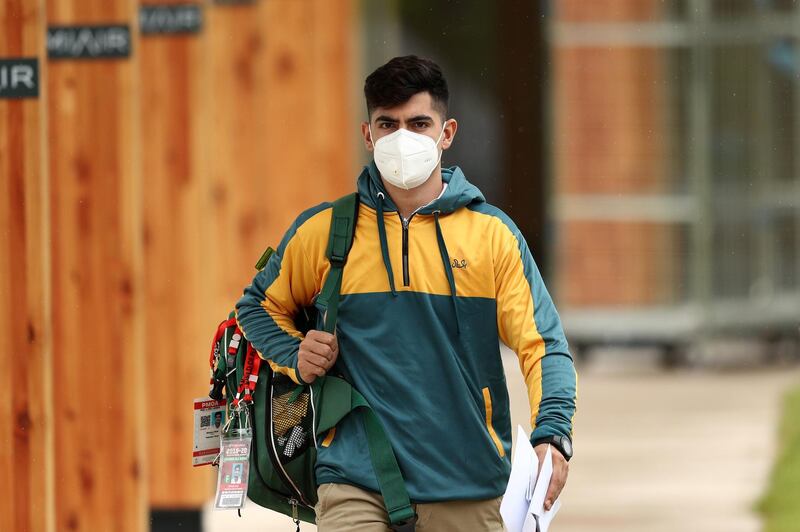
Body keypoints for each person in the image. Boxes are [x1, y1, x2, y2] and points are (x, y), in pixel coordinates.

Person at [235, 55, 577, 532]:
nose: (402, 139)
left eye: (419, 123)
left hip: (469, 482)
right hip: (354, 478)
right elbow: (256, 307)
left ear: (447, 133)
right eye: (388, 124)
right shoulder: (325, 232)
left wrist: (554, 434)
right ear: (367, 135)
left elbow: (544, 347)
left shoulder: (493, 236)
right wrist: (295, 352)